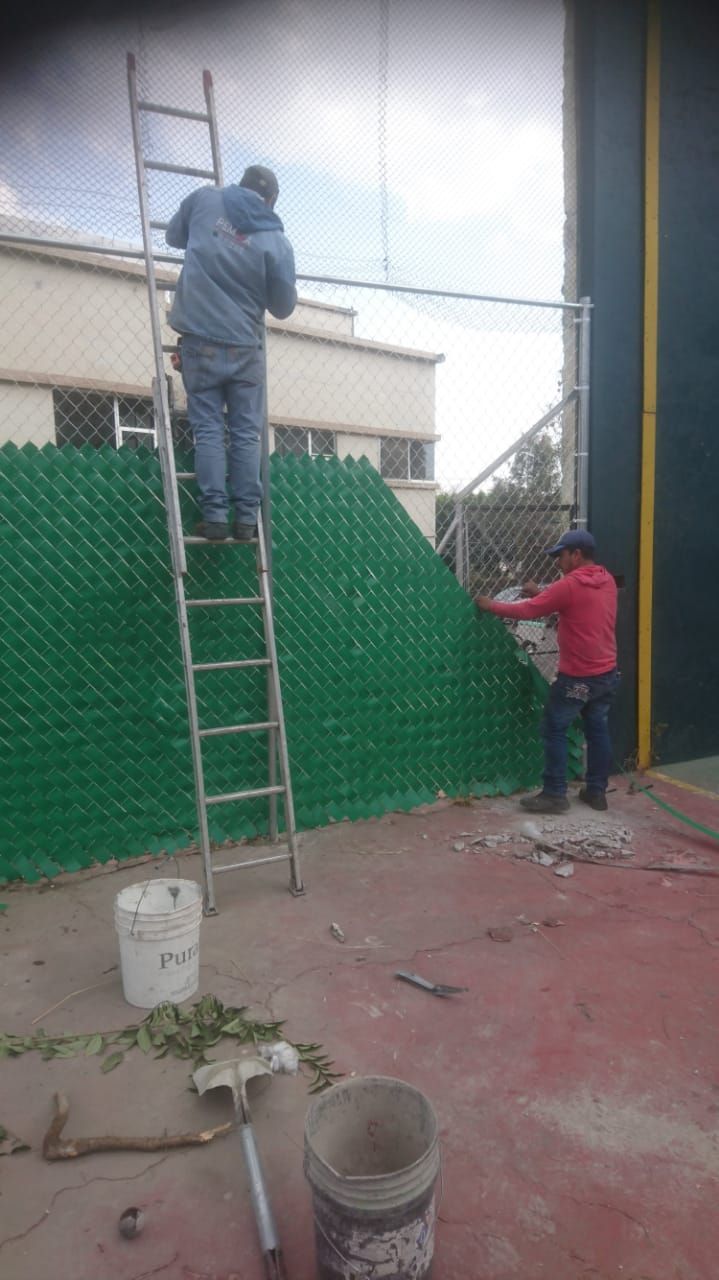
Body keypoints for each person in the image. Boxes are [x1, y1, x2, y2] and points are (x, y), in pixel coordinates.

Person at [166, 165, 297, 541]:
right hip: (245, 348)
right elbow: (283, 306)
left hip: (200, 341)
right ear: (271, 200)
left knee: (207, 429)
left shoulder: (204, 200)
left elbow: (175, 236)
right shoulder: (275, 239)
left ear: (240, 185)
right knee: (244, 433)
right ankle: (245, 520)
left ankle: (216, 518)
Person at [475, 529, 619, 813]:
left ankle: (554, 793)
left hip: (577, 677)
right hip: (607, 674)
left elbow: (529, 611)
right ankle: (596, 792)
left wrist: (491, 605)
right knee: (598, 730)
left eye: (560, 555)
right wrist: (543, 593)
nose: (557, 561)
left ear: (576, 554)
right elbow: (574, 606)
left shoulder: (568, 585)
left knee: (554, 728)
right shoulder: (607, 580)